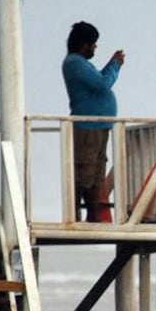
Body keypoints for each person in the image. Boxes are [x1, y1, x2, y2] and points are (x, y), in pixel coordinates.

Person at [61, 21, 125, 222]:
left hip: (98, 126)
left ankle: (93, 215)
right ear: (84, 44)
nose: (95, 47)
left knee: (96, 173)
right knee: (84, 172)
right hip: (87, 127)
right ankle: (75, 216)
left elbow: (98, 81)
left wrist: (111, 64)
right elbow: (102, 84)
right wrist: (115, 65)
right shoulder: (75, 63)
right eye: (93, 43)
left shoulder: (81, 64)